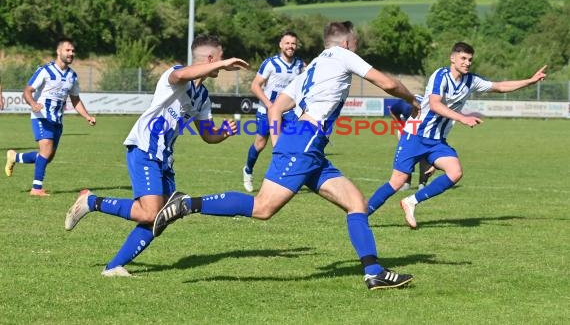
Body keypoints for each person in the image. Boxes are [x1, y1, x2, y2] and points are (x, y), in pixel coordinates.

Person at [152, 21, 419, 290]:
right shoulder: (342, 54)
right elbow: (388, 83)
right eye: (356, 41)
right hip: (305, 141)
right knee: (263, 208)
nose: (356, 46)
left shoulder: (313, 66)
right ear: (348, 42)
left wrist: (280, 141)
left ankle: (374, 272)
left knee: (356, 202)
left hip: (306, 145)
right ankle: (187, 204)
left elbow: (277, 107)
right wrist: (413, 101)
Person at [64, 34, 249, 277]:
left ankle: (113, 267)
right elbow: (182, 76)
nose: (223, 63)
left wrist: (223, 133)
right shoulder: (175, 74)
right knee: (151, 212)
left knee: (160, 218)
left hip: (165, 157)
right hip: (145, 147)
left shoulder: (203, 97)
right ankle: (91, 202)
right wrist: (222, 65)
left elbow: (207, 135)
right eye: (221, 58)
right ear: (211, 58)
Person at [367, 42, 547, 228]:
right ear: (452, 58)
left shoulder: (471, 80)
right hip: (416, 135)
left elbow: (500, 86)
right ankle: (362, 215)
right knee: (397, 181)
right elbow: (435, 104)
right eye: (463, 58)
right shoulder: (440, 75)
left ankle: (411, 201)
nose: (467, 62)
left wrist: (529, 81)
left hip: (437, 141)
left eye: (470, 59)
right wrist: (462, 118)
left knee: (455, 172)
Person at [4, 38, 96, 196]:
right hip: (41, 116)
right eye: (68, 50)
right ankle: (36, 189)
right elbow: (27, 91)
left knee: (47, 157)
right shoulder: (45, 70)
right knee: (45, 151)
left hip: (57, 120)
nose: (71, 53)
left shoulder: (72, 76)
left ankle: (15, 157)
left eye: (73, 51)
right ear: (58, 52)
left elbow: (75, 99)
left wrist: (87, 116)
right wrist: (33, 104)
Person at [242, 31, 304, 192]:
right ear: (280, 45)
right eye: (287, 43)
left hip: (288, 112)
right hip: (267, 110)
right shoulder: (270, 63)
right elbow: (255, 86)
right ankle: (248, 170)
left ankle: (284, 179)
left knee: (291, 142)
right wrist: (270, 105)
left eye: (293, 43)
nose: (290, 46)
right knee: (260, 143)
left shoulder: (300, 65)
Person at [388, 98, 434, 191]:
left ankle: (422, 183)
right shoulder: (405, 106)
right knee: (407, 155)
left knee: (424, 156)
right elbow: (392, 111)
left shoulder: (431, 109)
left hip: (426, 132)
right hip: (406, 129)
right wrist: (400, 126)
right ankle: (406, 183)